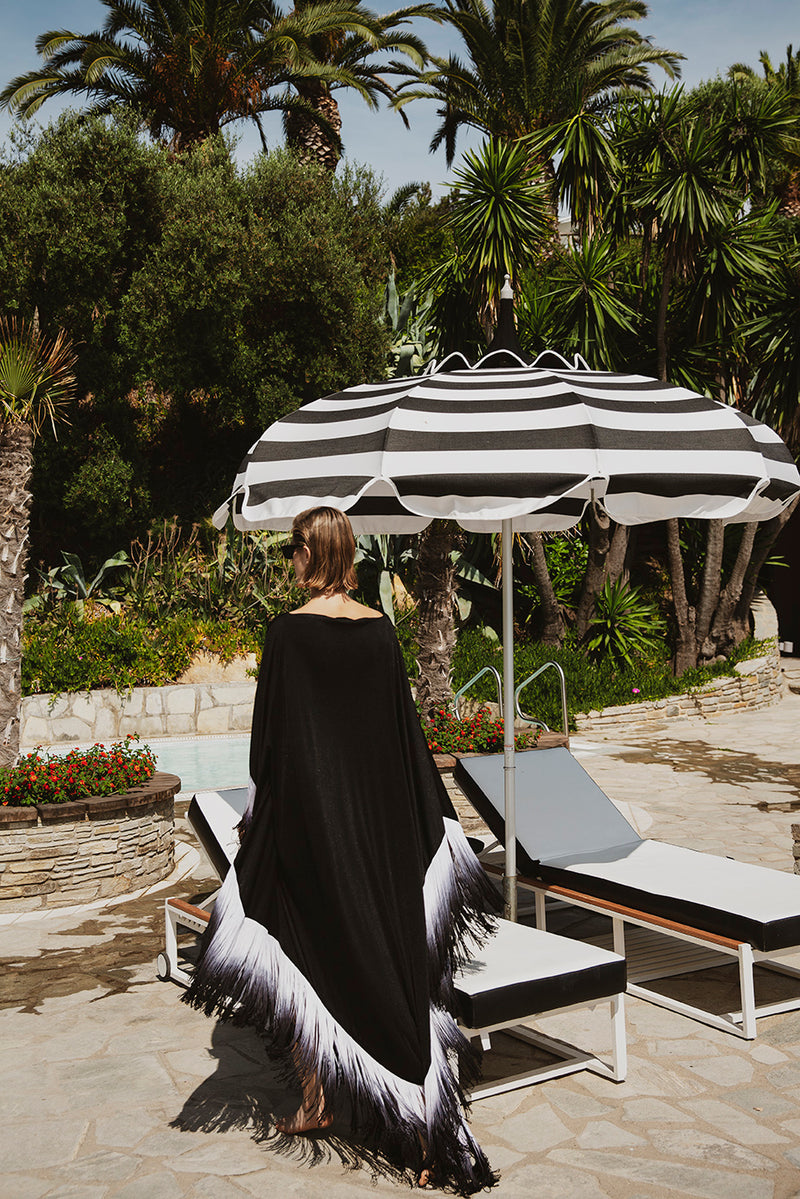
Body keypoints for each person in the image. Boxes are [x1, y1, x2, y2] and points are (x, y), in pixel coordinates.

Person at [183, 506, 498, 1194]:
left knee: (302, 943)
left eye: (294, 549)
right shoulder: (382, 633)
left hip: (311, 827)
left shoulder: (288, 636)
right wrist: (420, 823)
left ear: (312, 552)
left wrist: (256, 820)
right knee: (380, 953)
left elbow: (271, 745)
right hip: (376, 828)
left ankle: (386, 1112)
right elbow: (399, 739)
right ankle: (331, 1101)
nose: (289, 561)